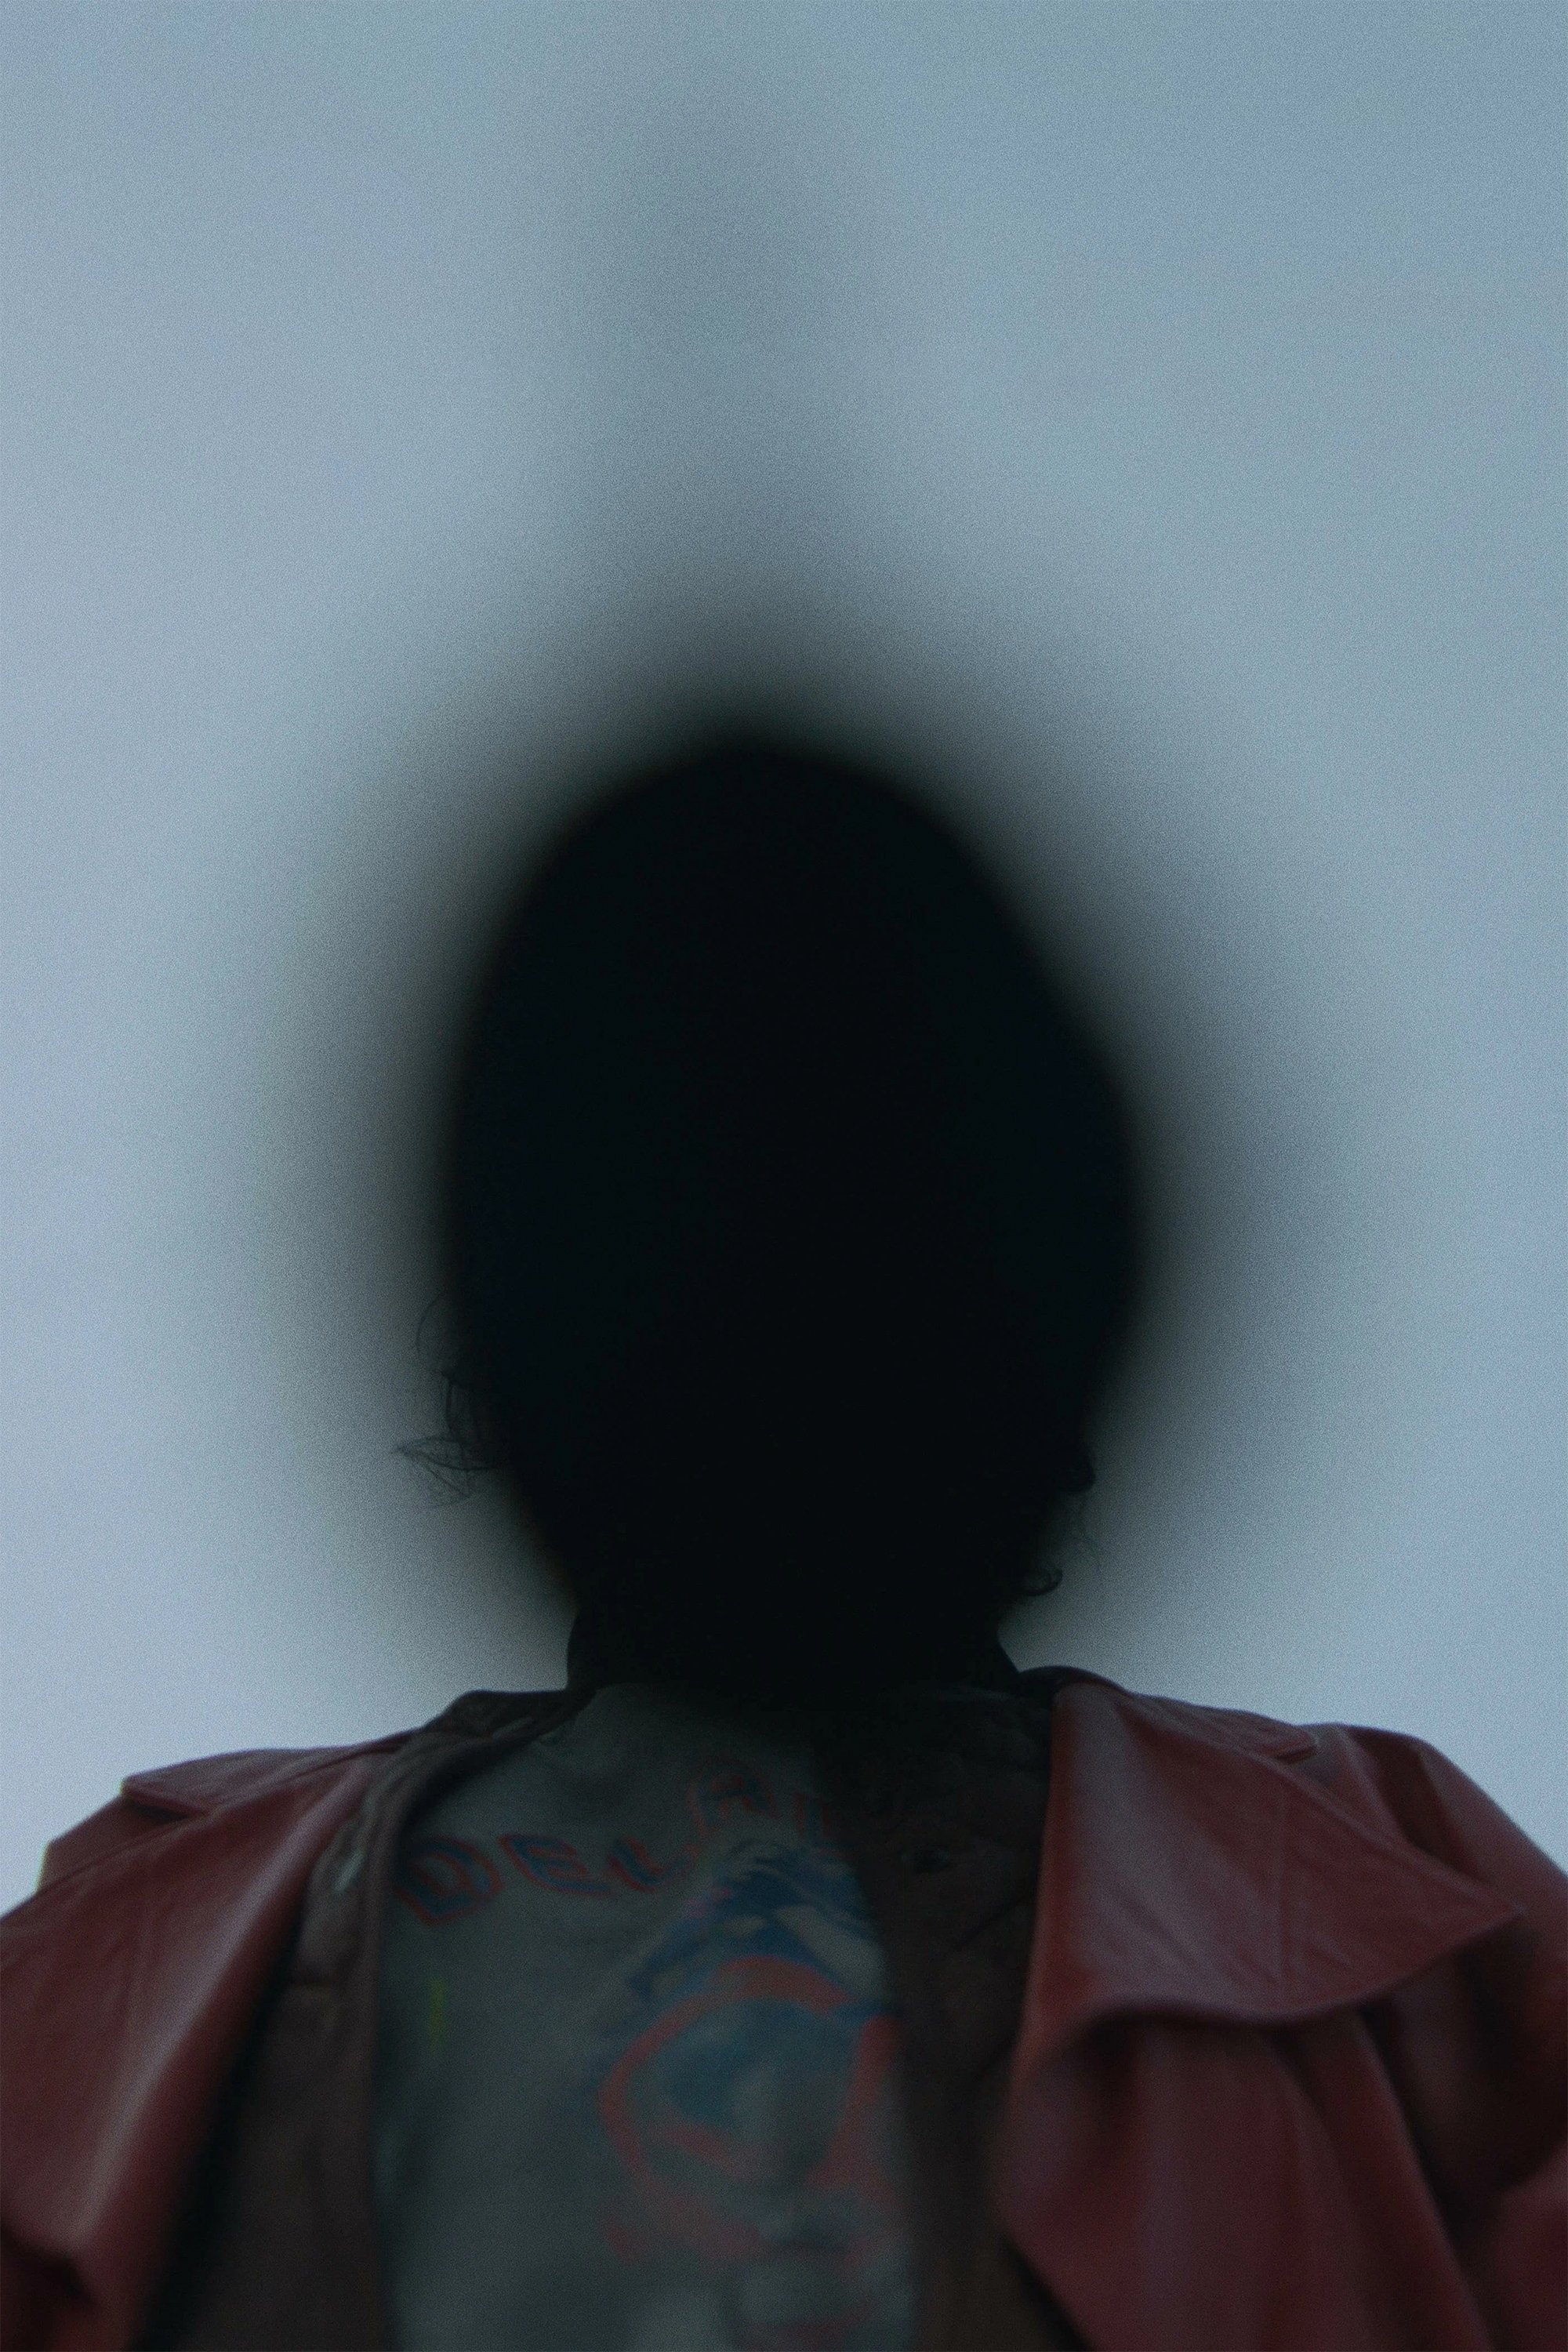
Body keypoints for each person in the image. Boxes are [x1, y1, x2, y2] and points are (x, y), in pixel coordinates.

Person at [2, 741, 1562, 2352]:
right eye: (664, 1167)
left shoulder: (1414, 1891)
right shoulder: (153, 1909)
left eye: (867, 1194)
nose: (759, 1258)